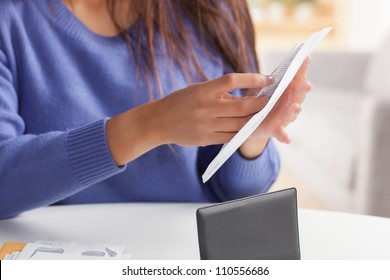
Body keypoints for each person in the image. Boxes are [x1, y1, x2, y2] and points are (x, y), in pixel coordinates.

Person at [0, 0, 311, 219]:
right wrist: (150, 124)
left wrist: (250, 140)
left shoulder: (212, 9)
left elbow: (235, 192)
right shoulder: (12, 18)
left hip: (188, 255)